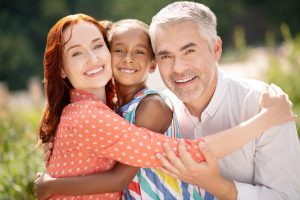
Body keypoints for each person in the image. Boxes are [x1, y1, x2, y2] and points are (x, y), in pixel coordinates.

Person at [35, 13, 294, 200]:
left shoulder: (143, 107)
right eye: (77, 52)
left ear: (152, 63)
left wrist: (53, 183)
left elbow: (124, 172)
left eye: (96, 46)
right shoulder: (97, 112)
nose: (127, 58)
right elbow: (185, 153)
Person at [147, 1, 300, 200]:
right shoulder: (152, 111)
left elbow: (287, 196)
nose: (178, 68)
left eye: (189, 51)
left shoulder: (264, 106)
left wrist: (220, 187)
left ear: (216, 49)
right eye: (166, 56)